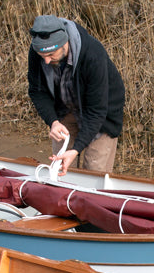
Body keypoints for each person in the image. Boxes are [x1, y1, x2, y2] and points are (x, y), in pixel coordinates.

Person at [27, 14, 125, 177]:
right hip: (66, 109)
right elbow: (37, 91)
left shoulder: (93, 54)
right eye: (42, 57)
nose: (46, 61)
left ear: (64, 43)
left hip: (101, 114)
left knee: (93, 172)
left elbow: (97, 111)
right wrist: (53, 121)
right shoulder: (39, 51)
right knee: (60, 169)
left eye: (51, 55)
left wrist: (76, 150)